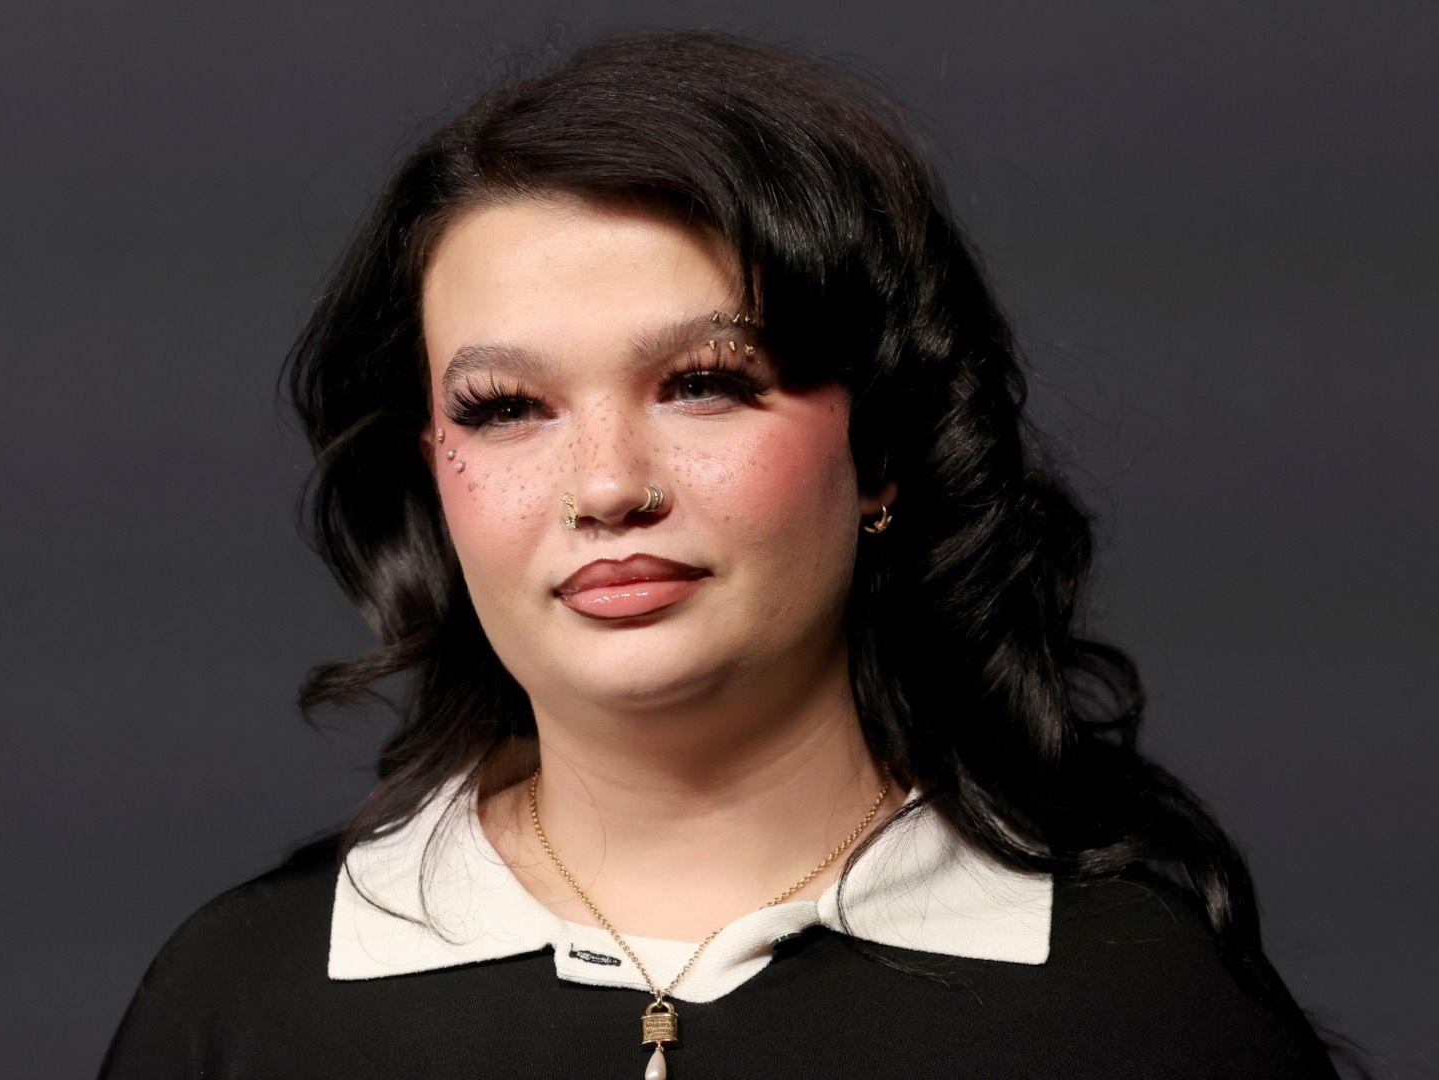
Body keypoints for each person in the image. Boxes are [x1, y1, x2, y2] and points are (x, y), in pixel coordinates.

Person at [97, 28, 1350, 1079]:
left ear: (883, 445)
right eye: (506, 408)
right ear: (431, 468)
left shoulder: (1144, 1012)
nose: (607, 488)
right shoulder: (241, 1008)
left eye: (702, 383)